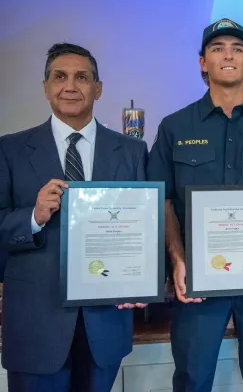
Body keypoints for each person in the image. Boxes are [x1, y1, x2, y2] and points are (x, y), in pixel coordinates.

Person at [147, 18, 243, 392]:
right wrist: (178, 259)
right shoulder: (175, 127)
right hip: (198, 280)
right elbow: (163, 200)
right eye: (217, 48)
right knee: (192, 377)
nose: (228, 55)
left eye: (237, 48)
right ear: (203, 62)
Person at [0, 43, 148, 392]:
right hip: (36, 324)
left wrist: (142, 279)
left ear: (97, 88)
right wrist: (33, 216)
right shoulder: (9, 150)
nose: (70, 85)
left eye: (82, 77)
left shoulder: (132, 151)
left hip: (105, 323)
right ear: (46, 87)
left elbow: (145, 228)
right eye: (59, 77)